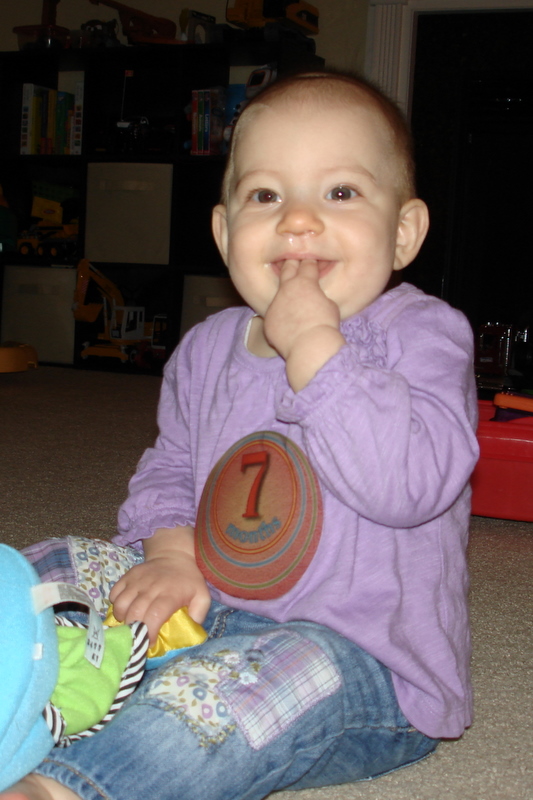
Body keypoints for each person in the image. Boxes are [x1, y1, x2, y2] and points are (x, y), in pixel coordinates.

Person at [2, 70, 479, 800]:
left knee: (214, 701)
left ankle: (65, 788)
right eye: (265, 196)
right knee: (59, 566)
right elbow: (170, 469)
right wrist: (171, 555)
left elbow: (406, 486)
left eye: (340, 192)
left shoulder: (423, 336)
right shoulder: (206, 348)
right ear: (225, 233)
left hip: (358, 663)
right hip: (207, 600)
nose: (298, 221)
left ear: (404, 232)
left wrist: (317, 350)